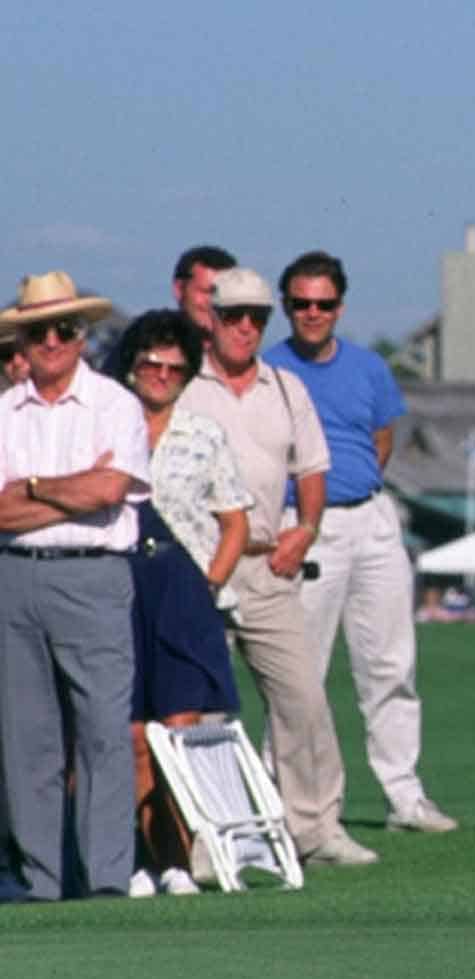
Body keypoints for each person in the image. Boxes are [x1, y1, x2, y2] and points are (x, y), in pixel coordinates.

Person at [177, 268, 377, 867]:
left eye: (257, 317)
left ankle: (315, 829)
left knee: (302, 699)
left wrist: (306, 530)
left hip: (269, 565)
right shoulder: (185, 386)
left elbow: (312, 471)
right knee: (202, 707)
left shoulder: (287, 388)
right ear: (211, 317)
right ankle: (206, 837)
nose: (245, 327)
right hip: (200, 567)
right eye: (234, 314)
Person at [265, 250, 458, 834]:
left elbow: (381, 439)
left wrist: (355, 493)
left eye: (324, 303)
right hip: (303, 524)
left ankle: (405, 796)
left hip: (371, 517)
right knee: (300, 671)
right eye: (301, 303)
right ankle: (284, 797)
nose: (313, 313)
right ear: (286, 306)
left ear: (340, 307)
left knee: (391, 664)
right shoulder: (269, 370)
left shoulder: (370, 368)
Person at [0, 272, 151, 901]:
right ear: (24, 342)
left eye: (66, 329)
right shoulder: (4, 413)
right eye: (41, 331)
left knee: (101, 733)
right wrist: (69, 491)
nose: (54, 341)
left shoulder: (116, 403)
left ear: (83, 337)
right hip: (15, 576)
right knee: (25, 739)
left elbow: (111, 490)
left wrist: (32, 488)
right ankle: (41, 881)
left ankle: (107, 878)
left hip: (94, 574)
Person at [110, 310, 252, 896]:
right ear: (133, 366)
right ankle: (143, 858)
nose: (162, 375)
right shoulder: (107, 423)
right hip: (118, 583)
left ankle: (179, 856)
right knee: (134, 736)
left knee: (181, 731)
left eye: (175, 368)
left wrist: (210, 584)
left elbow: (235, 522)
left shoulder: (204, 434)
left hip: (184, 585)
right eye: (152, 364)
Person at [171, 245, 236, 341]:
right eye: (207, 292)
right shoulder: (152, 348)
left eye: (226, 294)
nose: (215, 302)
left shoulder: (246, 353)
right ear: (179, 289)